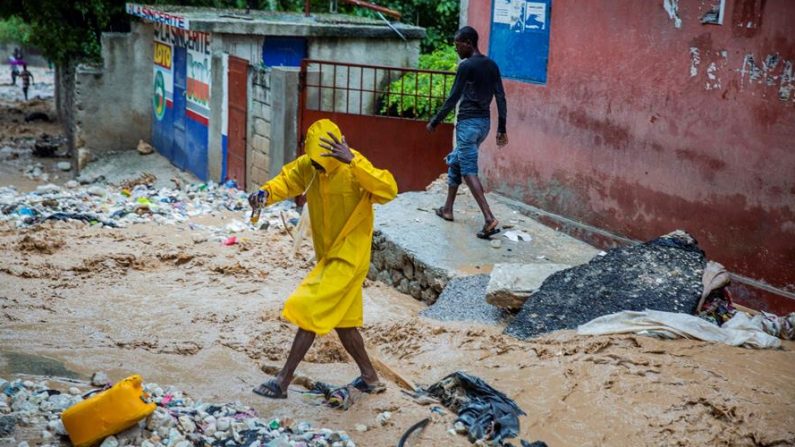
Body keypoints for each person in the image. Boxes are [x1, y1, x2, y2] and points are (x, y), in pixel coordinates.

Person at [249, 118, 398, 400]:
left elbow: (388, 190)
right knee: (344, 323)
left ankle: (282, 380)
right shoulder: (308, 166)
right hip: (329, 256)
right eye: (314, 162)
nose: (317, 168)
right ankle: (370, 378)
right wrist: (264, 195)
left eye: (322, 163)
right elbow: (286, 180)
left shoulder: (354, 167)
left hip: (350, 256)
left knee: (308, 305)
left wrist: (353, 161)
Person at [426, 26, 508, 239]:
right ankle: (448, 209)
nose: (456, 49)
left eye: (458, 45)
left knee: (468, 169)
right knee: (457, 160)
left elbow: (453, 98)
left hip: (468, 125)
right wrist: (501, 127)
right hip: (483, 126)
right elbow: (500, 97)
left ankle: (489, 218)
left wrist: (436, 120)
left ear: (469, 43)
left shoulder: (466, 66)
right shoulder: (492, 65)